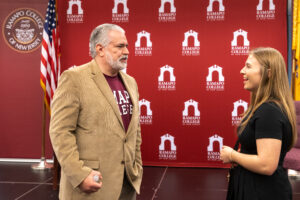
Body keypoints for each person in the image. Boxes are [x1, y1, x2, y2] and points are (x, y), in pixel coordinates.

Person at [49, 23, 143, 200]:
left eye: (127, 46)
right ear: (100, 49)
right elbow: (60, 131)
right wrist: (79, 174)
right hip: (91, 185)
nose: (127, 51)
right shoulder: (74, 79)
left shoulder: (131, 82)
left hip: (127, 183)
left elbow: (133, 131)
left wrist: (136, 166)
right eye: (120, 46)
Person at [220, 47, 297, 200]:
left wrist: (232, 155)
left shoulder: (269, 111)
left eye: (248, 66)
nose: (242, 71)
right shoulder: (265, 108)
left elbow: (266, 165)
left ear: (269, 73)